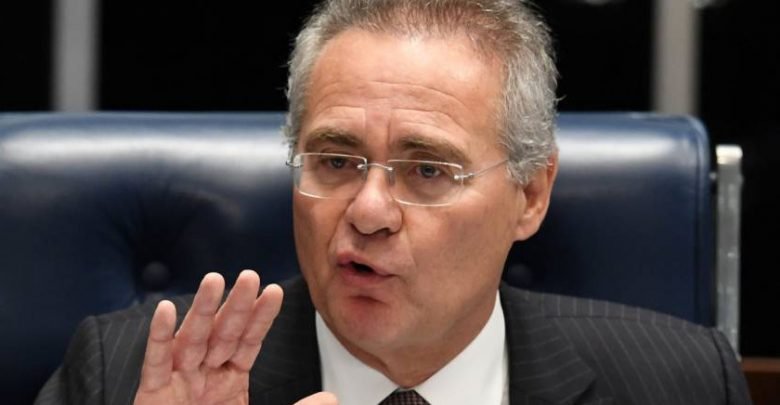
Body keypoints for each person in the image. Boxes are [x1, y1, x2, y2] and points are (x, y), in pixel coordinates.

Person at [35, 0, 752, 404]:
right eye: (335, 161)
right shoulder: (124, 374)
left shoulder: (680, 382)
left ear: (530, 194)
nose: (369, 211)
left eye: (428, 170)